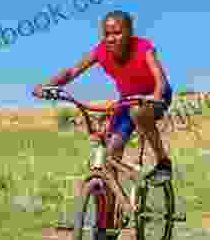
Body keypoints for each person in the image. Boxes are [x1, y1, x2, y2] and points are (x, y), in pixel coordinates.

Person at [33, 10, 174, 194]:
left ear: (130, 33)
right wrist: (47, 86)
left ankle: (163, 162)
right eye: (107, 34)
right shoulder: (101, 51)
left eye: (117, 33)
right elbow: (72, 71)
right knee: (110, 153)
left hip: (154, 96)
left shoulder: (143, 47)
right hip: (127, 101)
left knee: (138, 113)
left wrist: (155, 97)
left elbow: (160, 78)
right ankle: (110, 213)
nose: (111, 39)